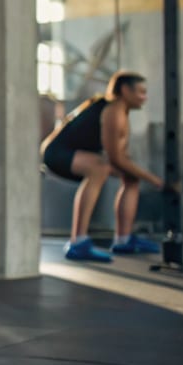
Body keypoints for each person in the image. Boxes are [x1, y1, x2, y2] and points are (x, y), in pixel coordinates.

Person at [40, 71, 165, 263]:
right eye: (141, 92)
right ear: (125, 90)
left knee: (131, 178)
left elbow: (123, 158)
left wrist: (140, 175)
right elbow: (116, 160)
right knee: (100, 168)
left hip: (78, 155)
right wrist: (155, 180)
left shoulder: (122, 114)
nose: (144, 97)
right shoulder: (113, 110)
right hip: (56, 154)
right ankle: (78, 242)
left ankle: (123, 239)